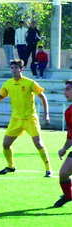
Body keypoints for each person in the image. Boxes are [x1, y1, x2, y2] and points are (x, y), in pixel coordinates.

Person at [0, 59, 52, 177]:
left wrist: (46, 114)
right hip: (15, 119)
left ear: (21, 69)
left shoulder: (30, 83)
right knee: (5, 144)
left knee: (39, 144)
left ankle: (48, 169)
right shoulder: (8, 83)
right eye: (12, 68)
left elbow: (43, 97)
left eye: (16, 68)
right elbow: (2, 95)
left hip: (30, 119)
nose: (13, 70)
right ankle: (10, 166)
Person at [53, 79, 72, 208]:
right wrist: (65, 148)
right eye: (65, 89)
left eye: (68, 89)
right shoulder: (68, 112)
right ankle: (69, 196)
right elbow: (71, 135)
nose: (65, 92)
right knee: (63, 173)